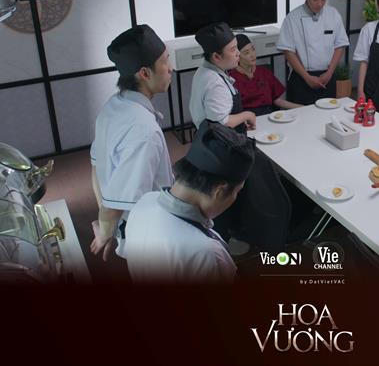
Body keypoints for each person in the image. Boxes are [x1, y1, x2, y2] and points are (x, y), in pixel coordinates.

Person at [125, 121, 255, 284]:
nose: (235, 198)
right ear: (219, 191)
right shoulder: (206, 252)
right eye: (237, 192)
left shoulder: (145, 202)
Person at [89, 24, 174, 261]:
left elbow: (96, 167)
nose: (171, 68)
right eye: (165, 61)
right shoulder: (143, 132)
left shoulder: (112, 105)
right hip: (147, 229)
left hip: (125, 222)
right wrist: (106, 231)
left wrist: (107, 224)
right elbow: (114, 204)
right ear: (145, 74)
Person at [277, 0, 349, 105]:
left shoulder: (333, 14)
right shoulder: (292, 18)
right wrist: (307, 77)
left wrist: (330, 73)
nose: (320, 3)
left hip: (327, 78)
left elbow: (340, 45)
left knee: (327, 113)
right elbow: (288, 51)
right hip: (301, 78)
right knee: (301, 116)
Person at [189, 22, 256, 135]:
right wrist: (247, 115)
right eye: (233, 49)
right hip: (219, 141)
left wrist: (239, 122)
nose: (238, 53)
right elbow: (222, 122)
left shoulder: (204, 69)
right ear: (216, 56)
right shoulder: (214, 83)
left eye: (237, 47)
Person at [229, 33, 302, 116]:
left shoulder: (264, 72)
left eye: (253, 49)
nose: (252, 55)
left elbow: (277, 101)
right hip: (246, 118)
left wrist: (304, 108)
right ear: (237, 57)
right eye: (247, 53)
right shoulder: (231, 79)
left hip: (269, 115)